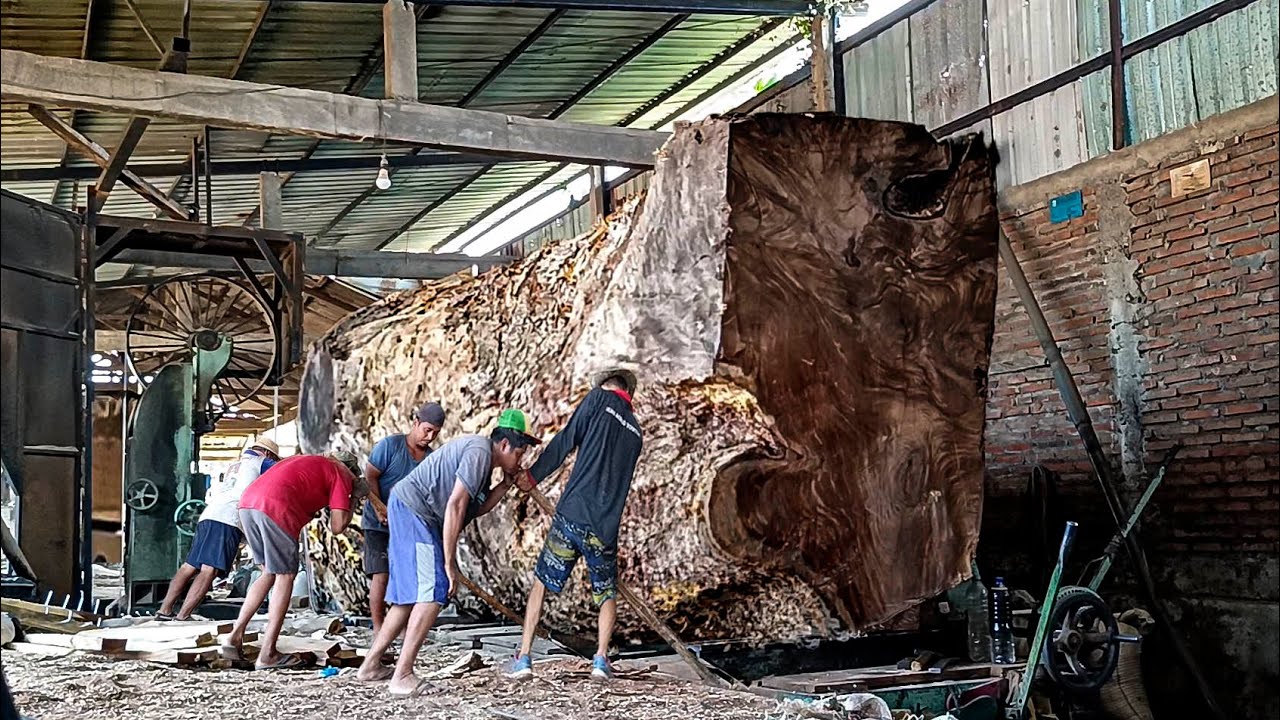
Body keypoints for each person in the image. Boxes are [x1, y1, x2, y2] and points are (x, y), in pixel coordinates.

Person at [356, 410, 541, 695]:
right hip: (416, 513)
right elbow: (455, 505)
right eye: (519, 452)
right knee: (435, 590)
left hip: (409, 509)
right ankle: (402, 675)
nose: (520, 460)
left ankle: (370, 666)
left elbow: (475, 509)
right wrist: (449, 562)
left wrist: (505, 484)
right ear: (504, 444)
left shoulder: (483, 463)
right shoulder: (479, 452)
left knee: (410, 596)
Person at [505, 369, 642, 682]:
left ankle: (524, 657)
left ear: (607, 385)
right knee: (606, 593)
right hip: (604, 529)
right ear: (628, 393)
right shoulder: (636, 433)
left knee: (542, 582)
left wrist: (533, 476)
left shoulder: (597, 399)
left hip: (572, 515)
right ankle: (600, 660)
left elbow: (567, 439)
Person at [222, 451, 367, 670]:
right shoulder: (341, 474)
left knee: (268, 573)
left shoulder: (308, 461)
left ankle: (234, 637)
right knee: (286, 576)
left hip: (247, 504)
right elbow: (337, 526)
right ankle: (268, 653)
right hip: (276, 507)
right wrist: (354, 496)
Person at [156, 438, 280, 621]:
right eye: (273, 458)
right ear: (268, 453)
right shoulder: (261, 461)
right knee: (209, 570)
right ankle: (183, 615)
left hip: (209, 515)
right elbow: (286, 470)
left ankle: (164, 610)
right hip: (228, 519)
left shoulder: (236, 465)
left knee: (189, 566)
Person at [363, 402, 446, 632]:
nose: (429, 437)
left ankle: (399, 629)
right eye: (427, 430)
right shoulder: (390, 446)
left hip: (407, 527)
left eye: (435, 433)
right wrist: (380, 509)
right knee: (381, 575)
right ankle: (378, 629)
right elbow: (369, 476)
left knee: (405, 577)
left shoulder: (431, 459)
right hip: (377, 523)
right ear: (416, 423)